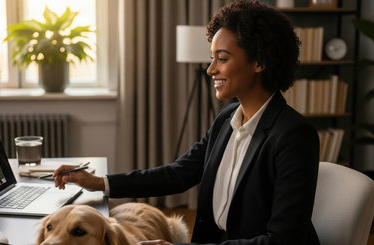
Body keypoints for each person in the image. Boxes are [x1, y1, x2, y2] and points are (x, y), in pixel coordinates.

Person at [53, 1, 320, 244]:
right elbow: (179, 173)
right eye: (212, 57)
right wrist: (98, 182)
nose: (211, 69)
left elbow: (284, 240)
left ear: (259, 62)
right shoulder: (227, 118)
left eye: (222, 59)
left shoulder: (294, 135)